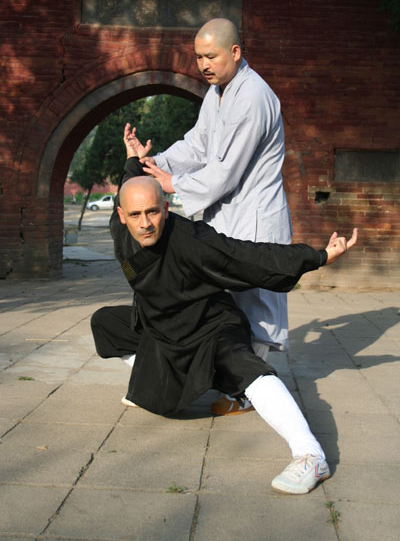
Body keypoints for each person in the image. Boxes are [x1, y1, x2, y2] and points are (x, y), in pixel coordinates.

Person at [91, 137, 358, 494]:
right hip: (163, 330)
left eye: (153, 212)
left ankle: (310, 455)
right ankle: (166, 375)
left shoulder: (192, 240)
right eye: (135, 215)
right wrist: (132, 161)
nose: (145, 224)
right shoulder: (121, 230)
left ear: (166, 209)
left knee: (247, 368)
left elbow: (249, 257)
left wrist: (318, 257)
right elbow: (131, 185)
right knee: (104, 322)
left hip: (211, 325)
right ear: (121, 215)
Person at [126, 17, 292, 415]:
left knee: (256, 307)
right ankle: (222, 376)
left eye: (211, 56)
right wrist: (154, 164)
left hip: (254, 217)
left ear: (235, 52)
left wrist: (172, 185)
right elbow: (197, 146)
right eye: (199, 57)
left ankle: (247, 392)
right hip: (226, 215)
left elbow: (225, 170)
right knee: (219, 300)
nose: (203, 64)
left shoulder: (253, 97)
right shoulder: (217, 94)